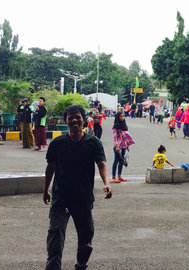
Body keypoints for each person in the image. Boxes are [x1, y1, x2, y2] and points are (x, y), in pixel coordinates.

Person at [43, 105, 112, 270]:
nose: (74, 120)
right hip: (61, 198)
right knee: (55, 238)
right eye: (70, 117)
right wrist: (46, 189)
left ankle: (81, 265)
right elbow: (50, 167)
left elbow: (101, 164)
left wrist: (106, 183)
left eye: (78, 116)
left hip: (83, 198)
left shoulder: (93, 142)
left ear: (83, 119)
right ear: (66, 121)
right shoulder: (58, 143)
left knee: (86, 237)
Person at [111, 112, 134, 183]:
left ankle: (119, 176)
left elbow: (126, 136)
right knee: (116, 161)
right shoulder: (115, 126)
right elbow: (115, 138)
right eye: (120, 116)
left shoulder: (124, 125)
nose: (122, 117)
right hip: (118, 146)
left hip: (124, 145)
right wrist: (117, 146)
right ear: (117, 117)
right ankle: (113, 177)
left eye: (123, 116)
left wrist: (127, 146)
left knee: (121, 161)